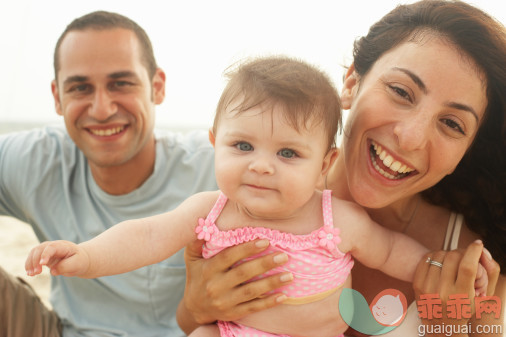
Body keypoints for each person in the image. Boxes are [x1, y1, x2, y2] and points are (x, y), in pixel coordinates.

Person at [26, 56, 445, 337]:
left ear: (323, 163)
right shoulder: (212, 211)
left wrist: (436, 267)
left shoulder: (337, 219)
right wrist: (86, 256)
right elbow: (146, 236)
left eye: (288, 153)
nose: (261, 166)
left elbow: (392, 251)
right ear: (214, 142)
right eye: (242, 146)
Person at [178, 1, 505, 336]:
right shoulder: (242, 196)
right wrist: (195, 305)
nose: (410, 138)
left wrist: (446, 329)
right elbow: (190, 325)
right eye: (400, 92)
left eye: (452, 123)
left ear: (467, 149)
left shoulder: (478, 267)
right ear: (351, 83)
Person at [0, 10, 220, 337]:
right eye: (80, 88)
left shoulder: (222, 167)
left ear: (156, 87)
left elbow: (319, 193)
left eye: (120, 83)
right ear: (57, 97)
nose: (101, 109)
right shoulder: (37, 160)